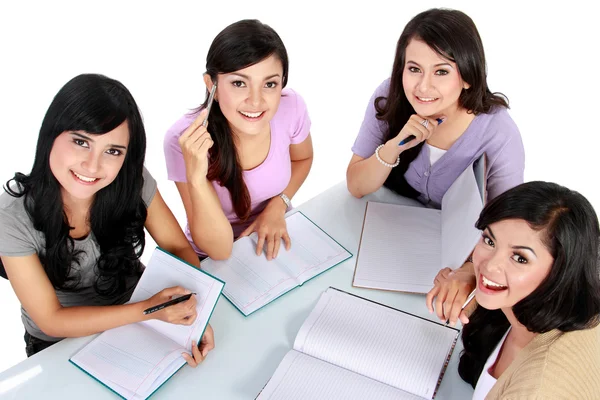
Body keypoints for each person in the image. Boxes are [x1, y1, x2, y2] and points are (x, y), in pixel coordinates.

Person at [0, 74, 213, 366]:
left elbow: (177, 247)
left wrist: (195, 311)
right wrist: (149, 311)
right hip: (61, 342)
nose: (93, 165)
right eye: (81, 141)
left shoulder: (131, 180)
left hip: (141, 313)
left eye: (112, 151)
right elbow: (52, 320)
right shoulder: (10, 216)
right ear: (51, 135)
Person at [346, 8, 525, 318]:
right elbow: (356, 185)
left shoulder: (499, 132)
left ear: (467, 76)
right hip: (390, 238)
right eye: (414, 69)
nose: (423, 87)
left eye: (441, 71)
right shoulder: (389, 97)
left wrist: (469, 270)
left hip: (453, 257)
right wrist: (396, 145)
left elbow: (509, 231)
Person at [164, 19, 313, 261]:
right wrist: (196, 177)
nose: (256, 101)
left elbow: (303, 158)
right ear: (211, 84)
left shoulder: (291, 106)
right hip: (214, 255)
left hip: (275, 230)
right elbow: (219, 251)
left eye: (270, 84)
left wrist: (278, 205)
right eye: (239, 83)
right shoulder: (183, 140)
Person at [456, 181, 600, 398]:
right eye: (489, 241)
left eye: (519, 258)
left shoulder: (539, 389)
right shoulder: (519, 311)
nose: (490, 265)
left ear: (561, 272)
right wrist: (465, 275)